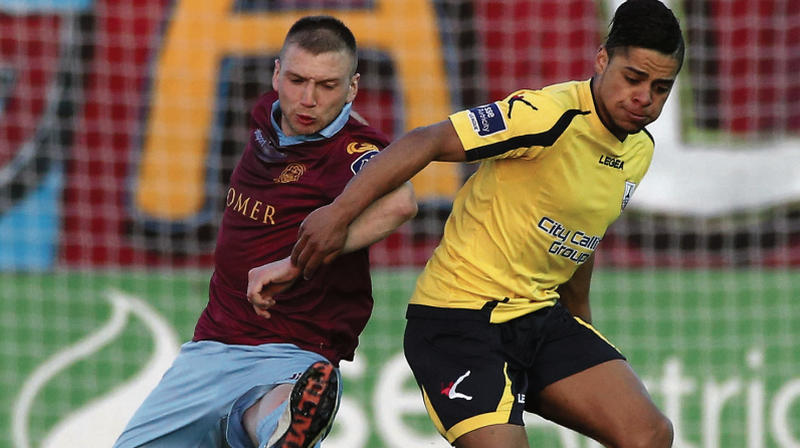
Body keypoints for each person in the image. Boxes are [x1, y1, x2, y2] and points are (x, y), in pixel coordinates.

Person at [280, 1, 685, 446]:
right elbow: (427, 139)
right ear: (602, 59)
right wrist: (338, 214)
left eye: (661, 88)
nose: (644, 98)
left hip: (537, 317)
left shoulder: (638, 150)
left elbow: (581, 235)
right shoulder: (545, 115)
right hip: (458, 322)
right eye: (633, 78)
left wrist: (581, 329)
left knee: (650, 435)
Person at [113, 15, 417, 448]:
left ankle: (284, 417)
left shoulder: (349, 151)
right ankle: (271, 423)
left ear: (352, 89)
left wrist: (297, 262)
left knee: (271, 416)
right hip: (212, 343)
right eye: (297, 80)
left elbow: (401, 201)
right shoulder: (267, 115)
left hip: (290, 348)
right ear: (276, 74)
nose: (308, 99)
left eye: (328, 86)